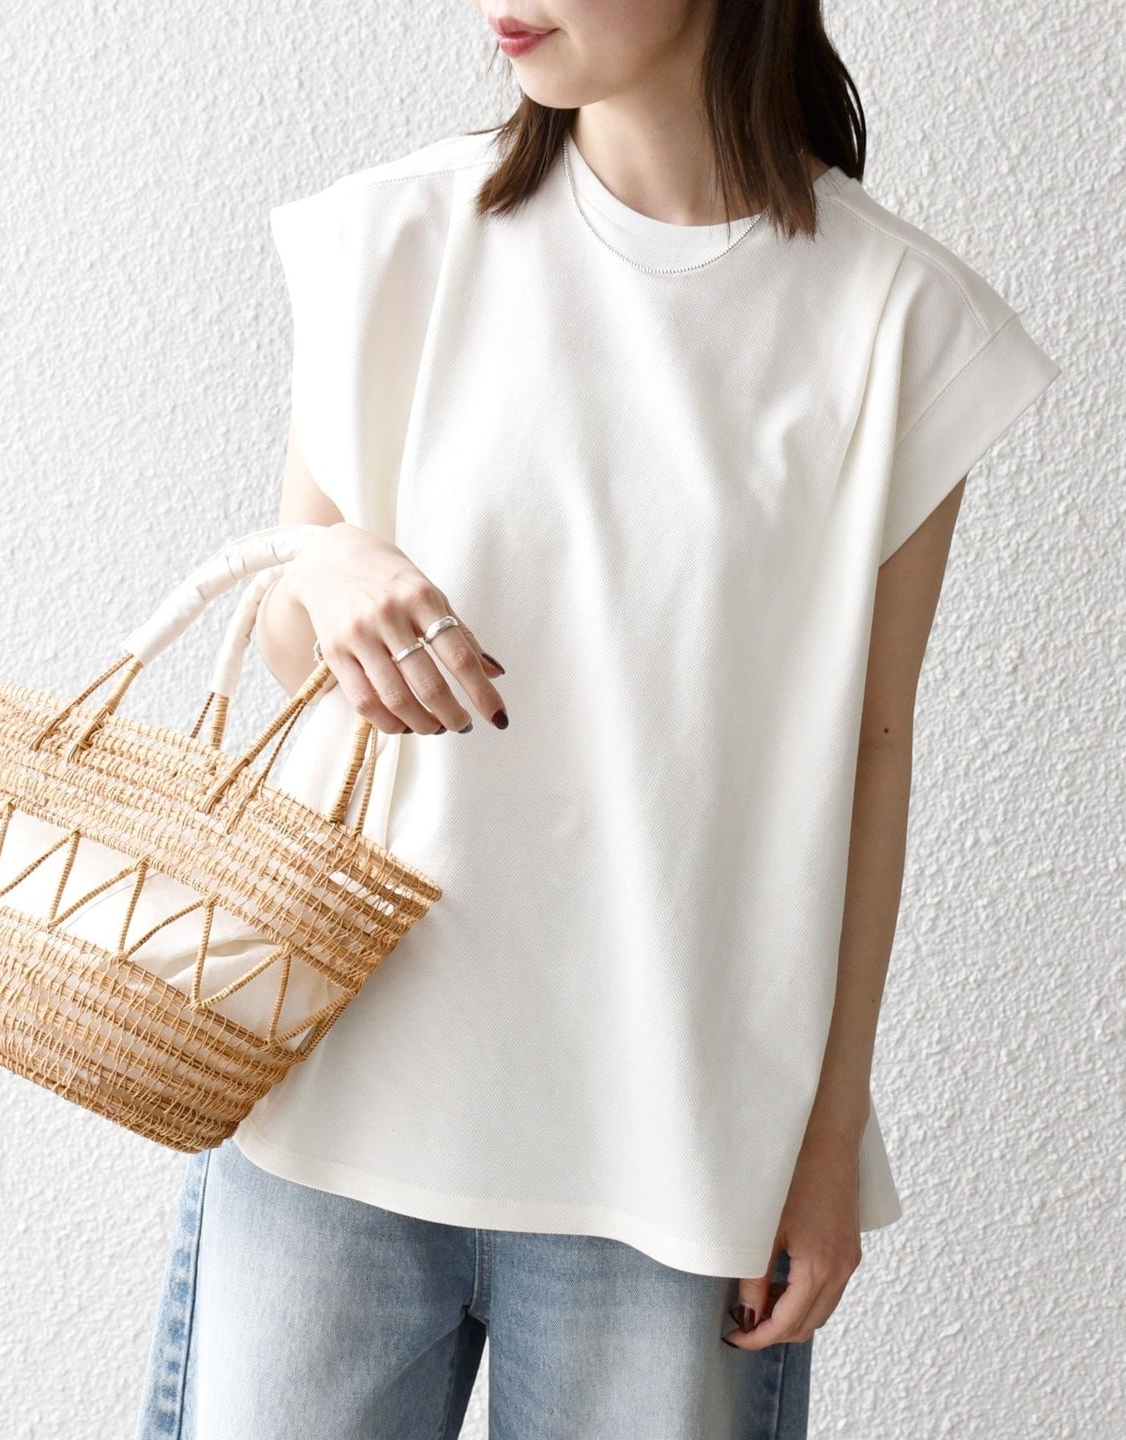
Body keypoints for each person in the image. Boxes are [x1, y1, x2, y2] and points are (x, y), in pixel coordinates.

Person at [135, 2, 1061, 1436]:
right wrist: (325, 564)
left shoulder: (900, 323)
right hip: (336, 1098)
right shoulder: (398, 236)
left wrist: (830, 1134)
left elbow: (874, 756)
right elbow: (284, 644)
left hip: (673, 1145)